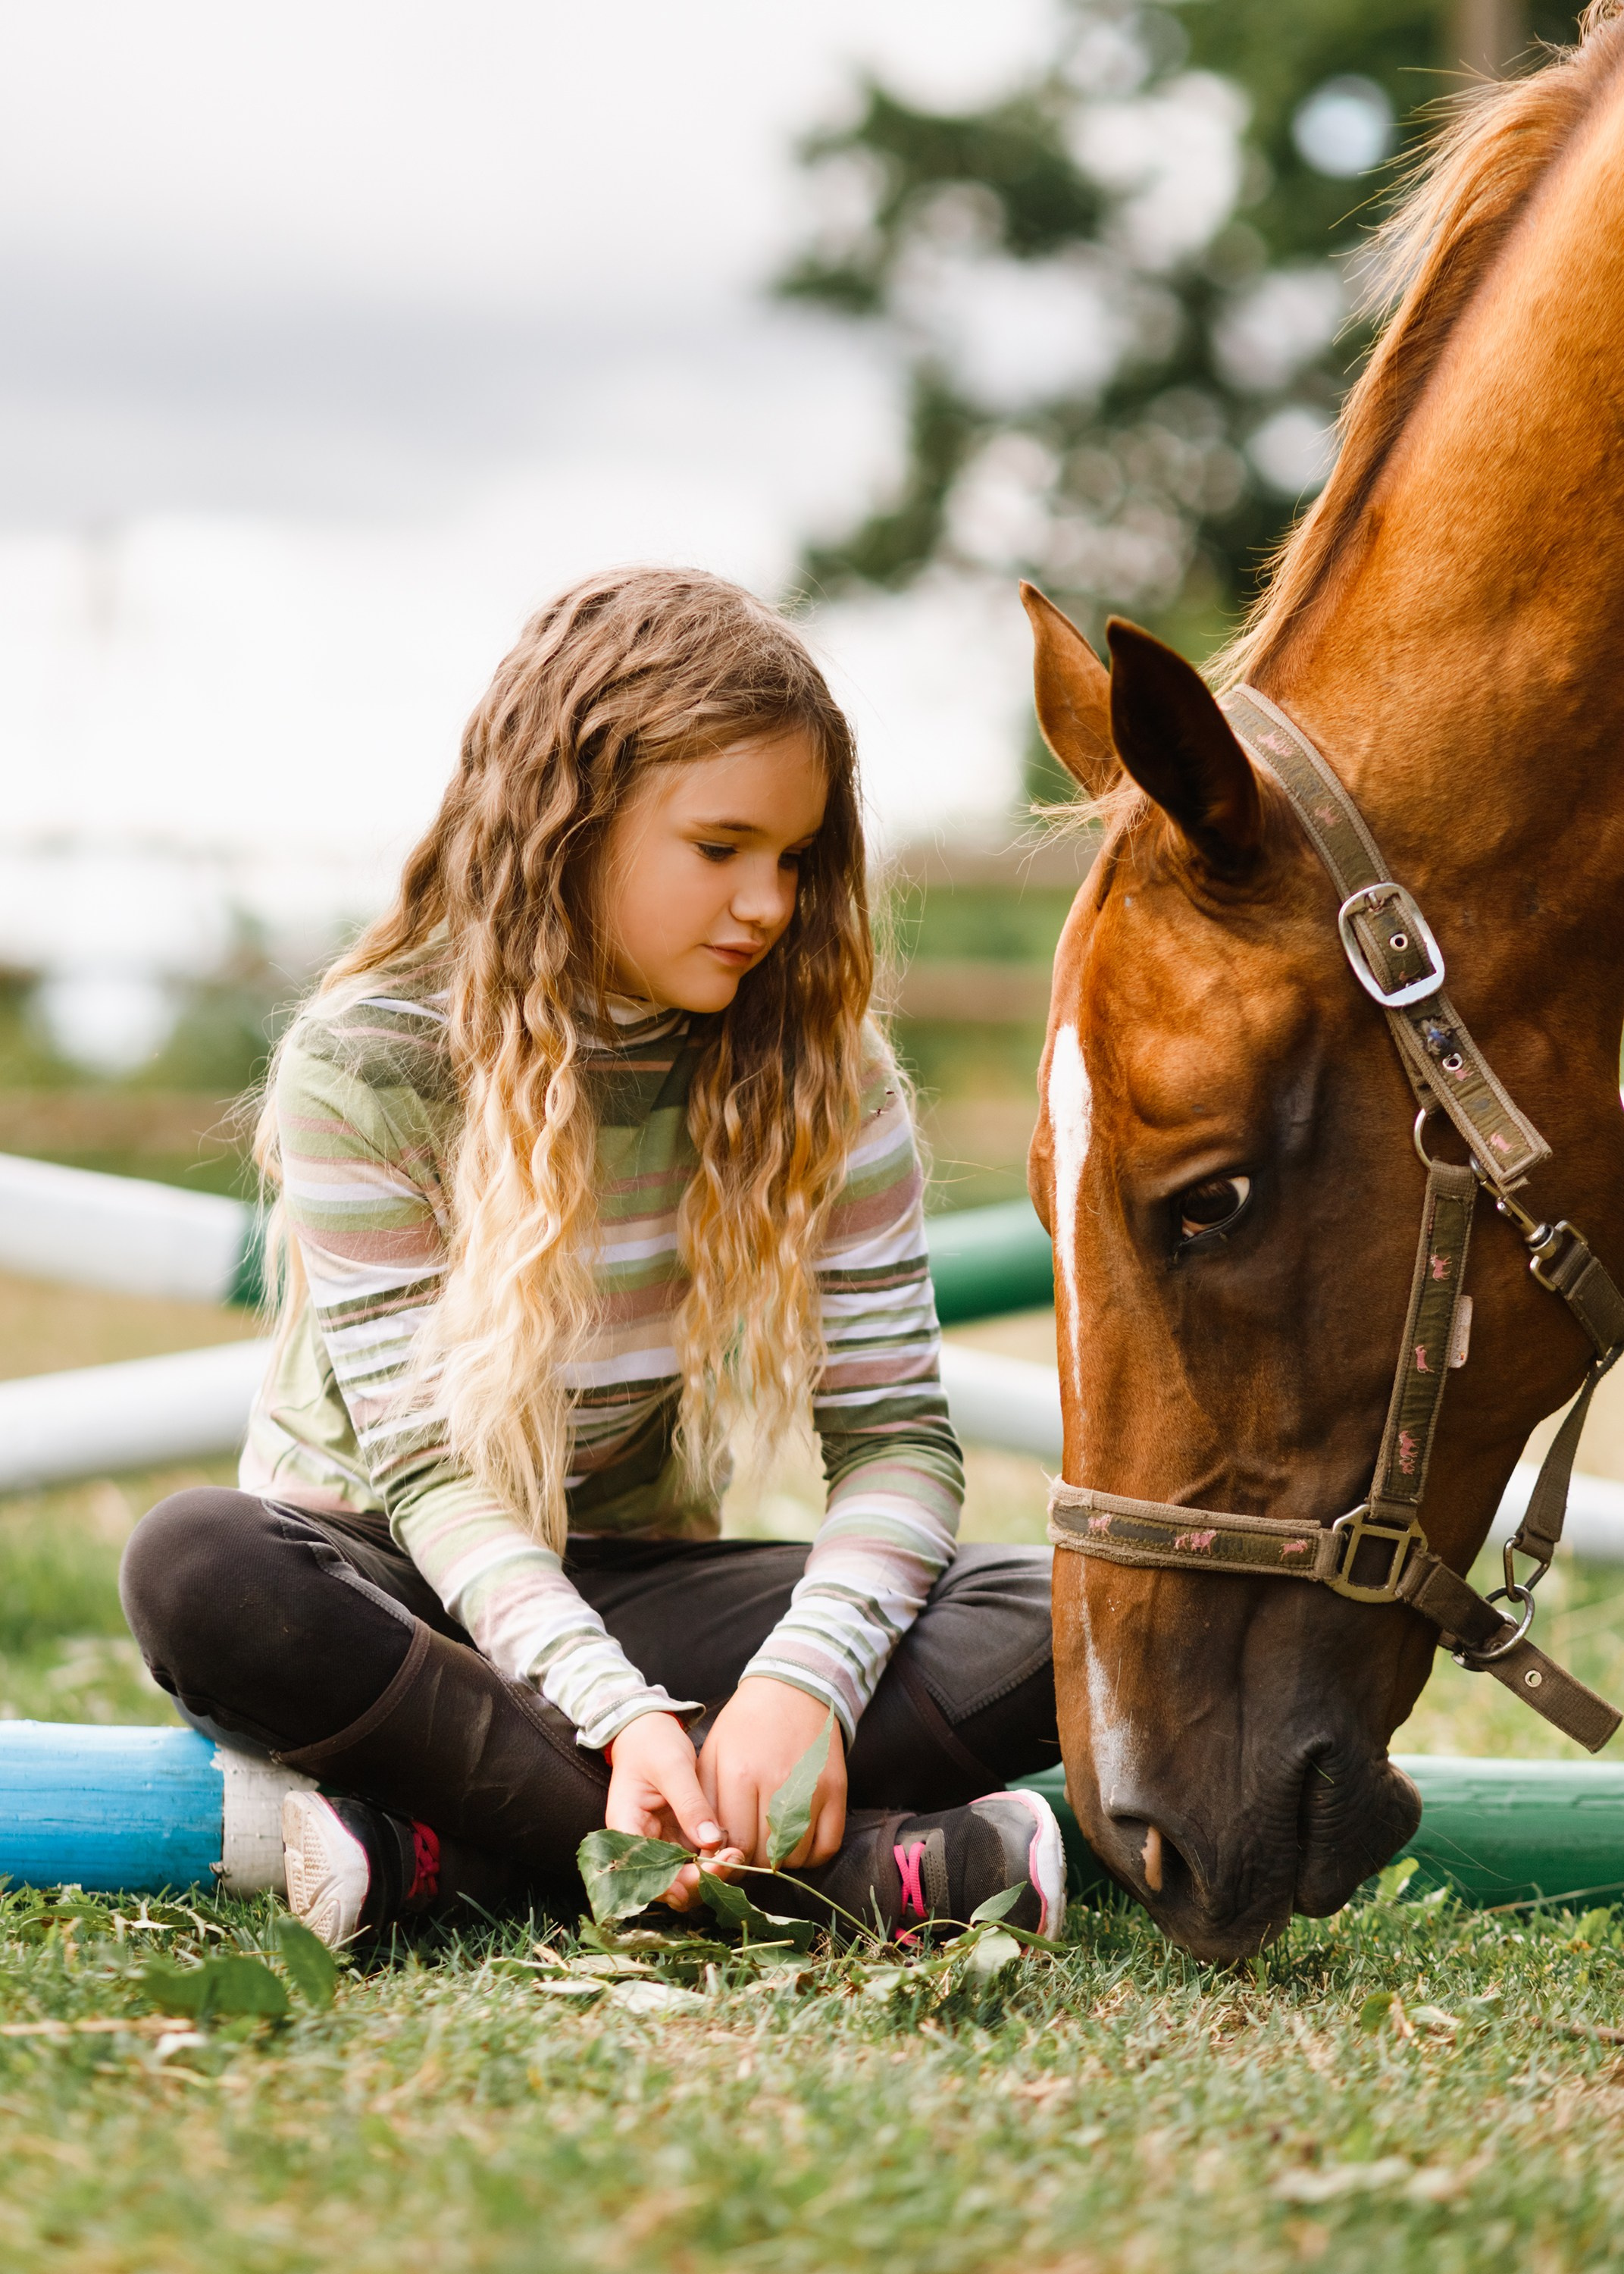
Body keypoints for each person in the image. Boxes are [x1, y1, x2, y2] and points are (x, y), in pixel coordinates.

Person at [119, 566, 1062, 1950]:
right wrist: (619, 1721)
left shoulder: (828, 1074)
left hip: (633, 1579)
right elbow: (430, 1471)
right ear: (569, 823)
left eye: (794, 859)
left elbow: (899, 1438)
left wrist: (802, 1683)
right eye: (721, 845)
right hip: (391, 1589)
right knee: (198, 1568)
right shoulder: (370, 1063)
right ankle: (831, 1876)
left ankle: (451, 1857)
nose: (767, 905)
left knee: (1074, 1612)